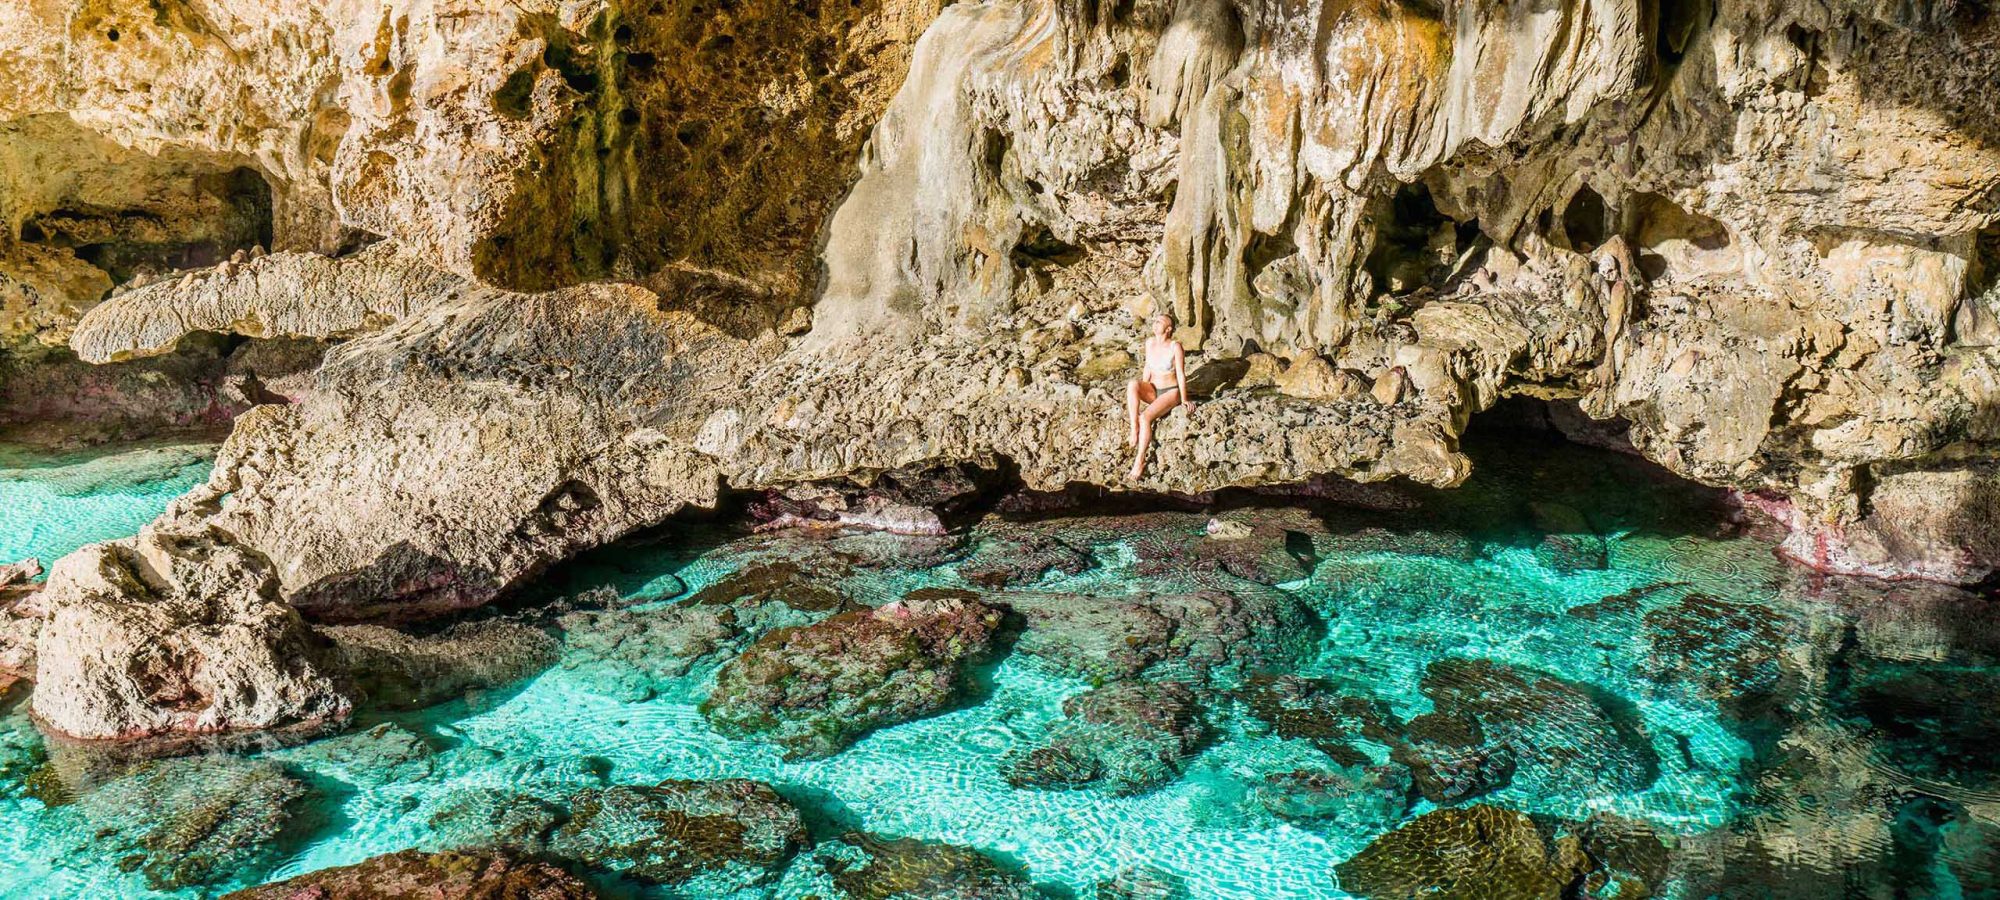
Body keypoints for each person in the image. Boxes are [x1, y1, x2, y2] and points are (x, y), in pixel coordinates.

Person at [1126, 312, 1194, 480]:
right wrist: (1143, 387)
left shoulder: (1175, 346)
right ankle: (1134, 428)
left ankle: (1140, 460)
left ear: (1168, 329)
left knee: (1145, 418)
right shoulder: (1149, 343)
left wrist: (1184, 399)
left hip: (1171, 391)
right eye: (1154, 320)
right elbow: (1147, 368)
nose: (1155, 323)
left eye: (1160, 322)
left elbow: (1180, 374)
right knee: (1132, 384)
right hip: (1153, 390)